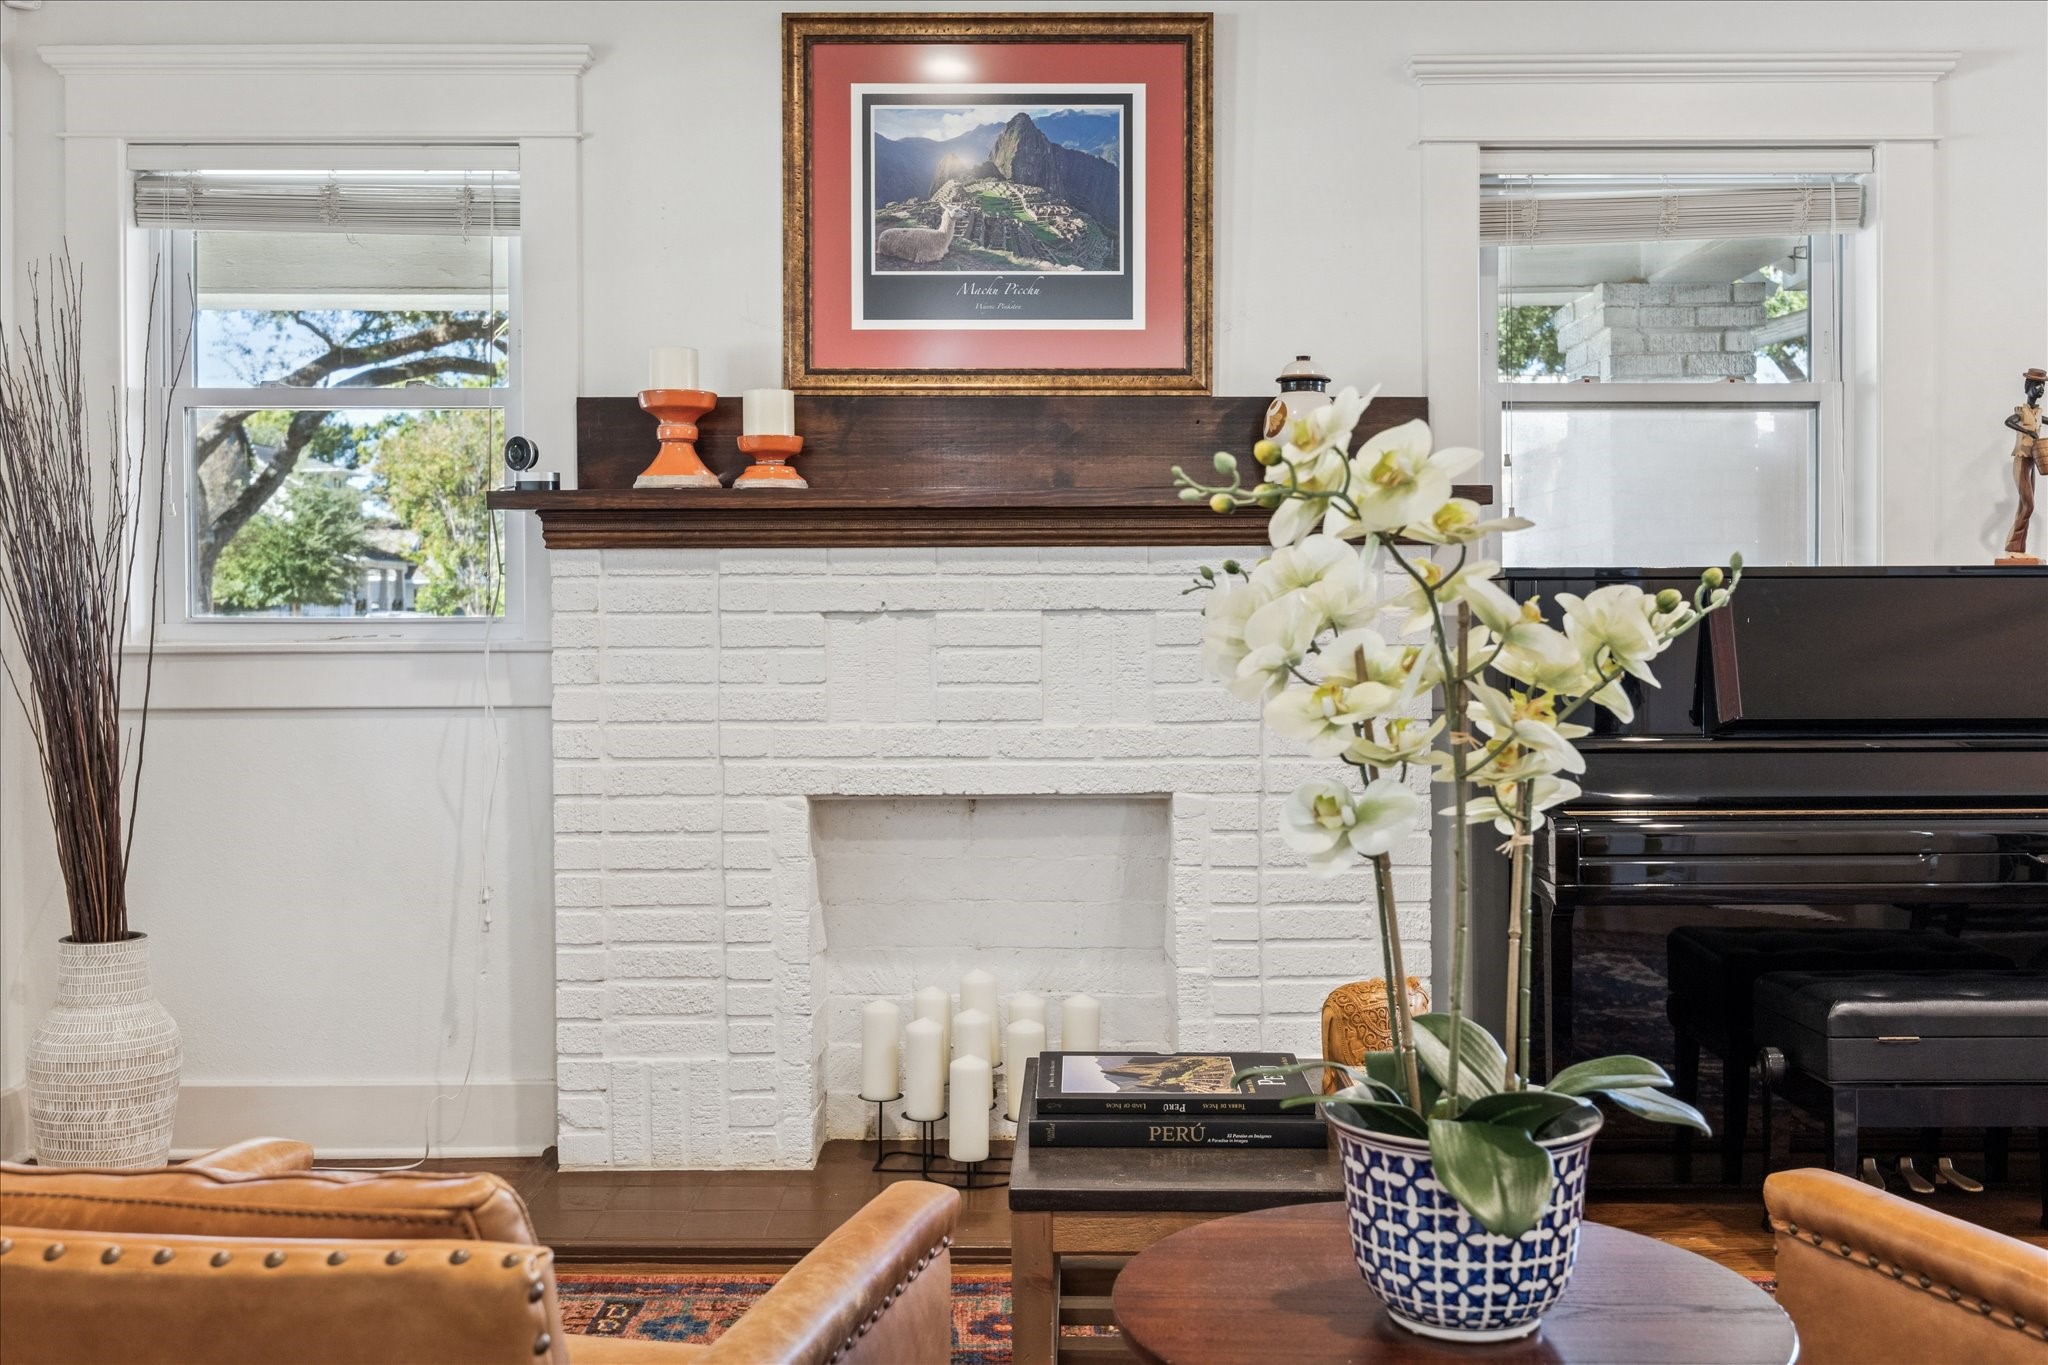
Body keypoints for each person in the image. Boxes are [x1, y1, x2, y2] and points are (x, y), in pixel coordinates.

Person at [2001, 368, 2048, 561]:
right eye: (2037, 385)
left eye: (2043, 386)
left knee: (2024, 505)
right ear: (2027, 387)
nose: (2041, 389)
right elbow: (2008, 422)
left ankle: (2018, 549)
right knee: (2028, 505)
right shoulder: (2022, 412)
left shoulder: (2038, 413)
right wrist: (2027, 431)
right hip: (2021, 460)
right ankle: (2013, 545)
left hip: (2032, 461)